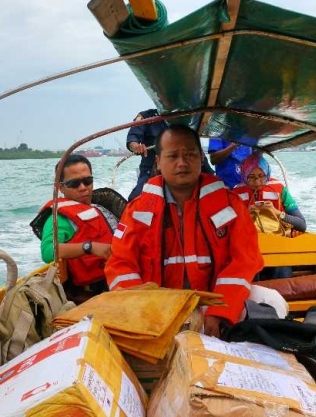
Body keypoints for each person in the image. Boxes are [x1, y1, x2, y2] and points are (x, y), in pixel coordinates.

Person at [105, 125, 278, 338]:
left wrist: (220, 312)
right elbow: (120, 264)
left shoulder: (230, 205)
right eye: (173, 156)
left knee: (272, 301)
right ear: (158, 162)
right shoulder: (137, 210)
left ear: (200, 159)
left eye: (190, 155)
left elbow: (246, 260)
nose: (182, 163)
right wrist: (144, 311)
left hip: (214, 302)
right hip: (158, 309)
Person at [30, 155, 116, 299]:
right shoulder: (59, 218)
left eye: (87, 181)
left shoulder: (99, 209)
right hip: (89, 294)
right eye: (74, 184)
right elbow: (48, 251)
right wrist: (89, 247)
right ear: (60, 187)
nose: (83, 188)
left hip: (116, 281)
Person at [233, 153, 307, 280]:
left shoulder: (280, 190)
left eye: (261, 176)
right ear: (244, 176)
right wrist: (245, 215)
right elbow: (229, 229)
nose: (257, 182)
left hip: (278, 249)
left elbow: (301, 225)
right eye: (251, 177)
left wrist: (276, 213)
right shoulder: (236, 193)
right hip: (249, 251)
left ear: (268, 174)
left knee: (281, 268)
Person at [126, 109, 214, 201]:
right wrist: (135, 146)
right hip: (150, 168)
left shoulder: (188, 117)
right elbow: (132, 138)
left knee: (212, 186)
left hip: (185, 165)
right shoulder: (147, 116)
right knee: (136, 198)